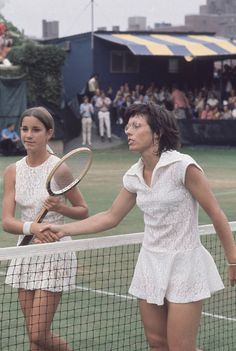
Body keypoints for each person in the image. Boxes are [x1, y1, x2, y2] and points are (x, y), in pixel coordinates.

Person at [41, 103, 236, 351]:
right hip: (149, 264)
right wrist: (64, 230)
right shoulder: (133, 175)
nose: (128, 131)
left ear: (157, 132)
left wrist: (233, 259)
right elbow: (111, 216)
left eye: (136, 126)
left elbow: (216, 213)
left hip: (185, 264)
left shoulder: (182, 166)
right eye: (127, 126)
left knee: (180, 347)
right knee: (157, 343)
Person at [2, 106, 89, 351]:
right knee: (34, 338)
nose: (28, 135)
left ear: (49, 133)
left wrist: (61, 209)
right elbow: (7, 222)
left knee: (39, 334)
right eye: (25, 129)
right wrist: (34, 228)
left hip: (55, 253)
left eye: (36, 130)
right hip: (26, 251)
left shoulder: (59, 168)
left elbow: (83, 210)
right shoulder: (12, 171)